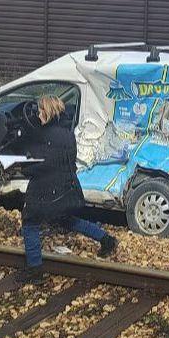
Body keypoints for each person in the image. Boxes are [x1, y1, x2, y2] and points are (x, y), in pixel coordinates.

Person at [16, 95, 117, 283]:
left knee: (30, 224)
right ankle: (106, 239)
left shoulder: (41, 136)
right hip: (66, 187)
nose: (37, 115)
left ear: (47, 112)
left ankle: (35, 271)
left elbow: (38, 166)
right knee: (66, 220)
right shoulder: (67, 134)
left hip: (44, 190)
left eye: (40, 111)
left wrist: (22, 167)